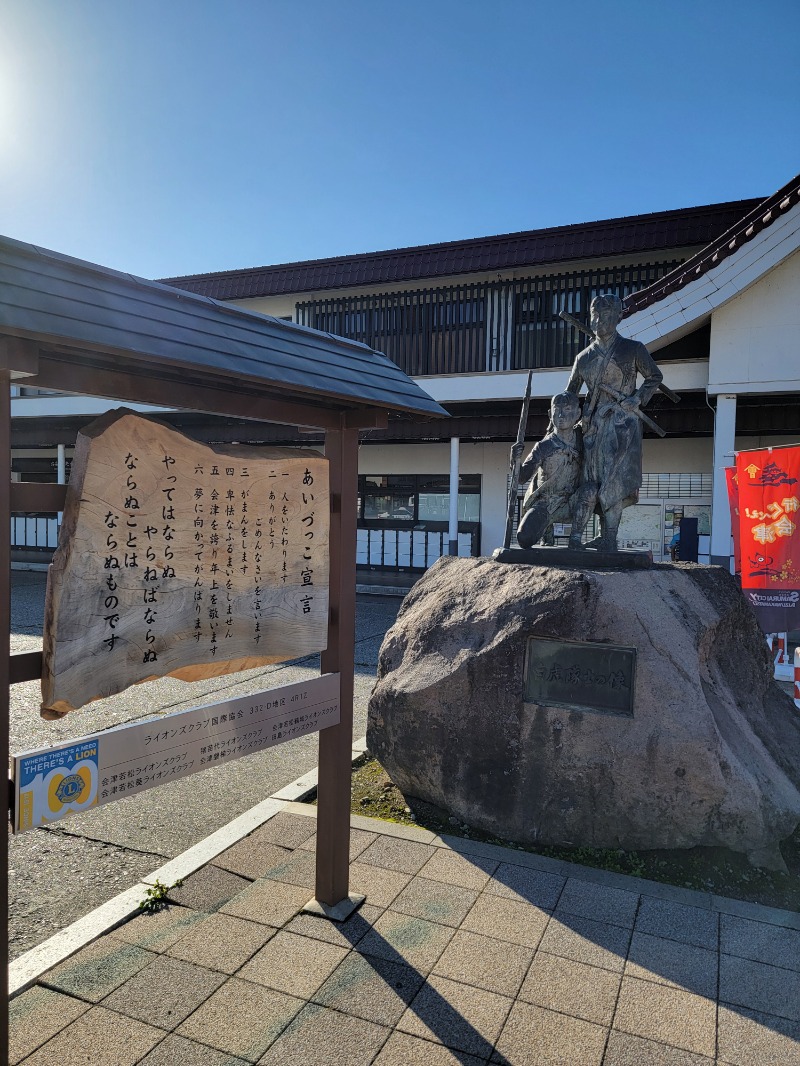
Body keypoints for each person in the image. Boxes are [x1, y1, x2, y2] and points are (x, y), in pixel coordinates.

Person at [566, 293, 663, 551]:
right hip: (594, 428)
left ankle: (610, 537)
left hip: (623, 426)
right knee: (592, 480)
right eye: (595, 315)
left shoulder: (633, 349)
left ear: (618, 317)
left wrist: (638, 398)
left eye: (607, 315)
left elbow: (654, 376)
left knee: (615, 480)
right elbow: (570, 394)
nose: (600, 321)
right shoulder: (583, 357)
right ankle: (592, 534)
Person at [512, 392, 581, 548]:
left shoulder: (583, 440)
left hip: (573, 500)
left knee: (590, 495)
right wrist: (515, 460)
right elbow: (522, 477)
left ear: (578, 413)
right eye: (557, 410)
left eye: (568, 409)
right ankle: (546, 535)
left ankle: (576, 539)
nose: (562, 415)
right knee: (524, 538)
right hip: (545, 503)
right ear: (550, 414)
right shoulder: (543, 446)